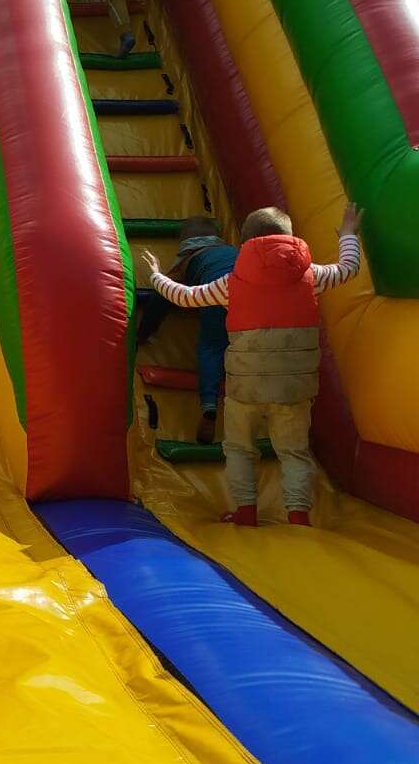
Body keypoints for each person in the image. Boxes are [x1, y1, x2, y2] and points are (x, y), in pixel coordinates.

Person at [144, 203, 363, 526]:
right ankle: (298, 513)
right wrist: (347, 234)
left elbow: (185, 296)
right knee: (293, 451)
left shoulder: (231, 283)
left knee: (240, 448)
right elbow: (349, 268)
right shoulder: (311, 276)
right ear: (290, 238)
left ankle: (246, 510)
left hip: (245, 387)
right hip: (293, 388)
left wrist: (156, 275)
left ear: (245, 244)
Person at [137, 216, 237, 444]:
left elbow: (162, 297)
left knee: (211, 347)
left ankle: (209, 405)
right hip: (248, 293)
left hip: (217, 294)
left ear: (184, 243)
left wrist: (144, 333)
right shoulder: (232, 251)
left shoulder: (188, 259)